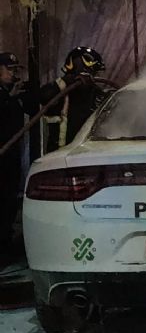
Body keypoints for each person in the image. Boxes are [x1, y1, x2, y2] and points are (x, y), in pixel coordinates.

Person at [0, 52, 38, 265]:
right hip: (2, 154)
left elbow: (32, 108)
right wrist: (10, 99)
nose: (13, 74)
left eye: (16, 70)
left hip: (12, 155)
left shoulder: (13, 93)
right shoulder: (5, 96)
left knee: (9, 200)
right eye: (9, 69)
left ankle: (5, 243)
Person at [40, 47, 107, 153]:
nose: (96, 77)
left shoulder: (96, 93)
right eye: (94, 73)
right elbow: (43, 96)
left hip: (88, 153)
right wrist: (67, 81)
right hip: (60, 155)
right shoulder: (60, 92)